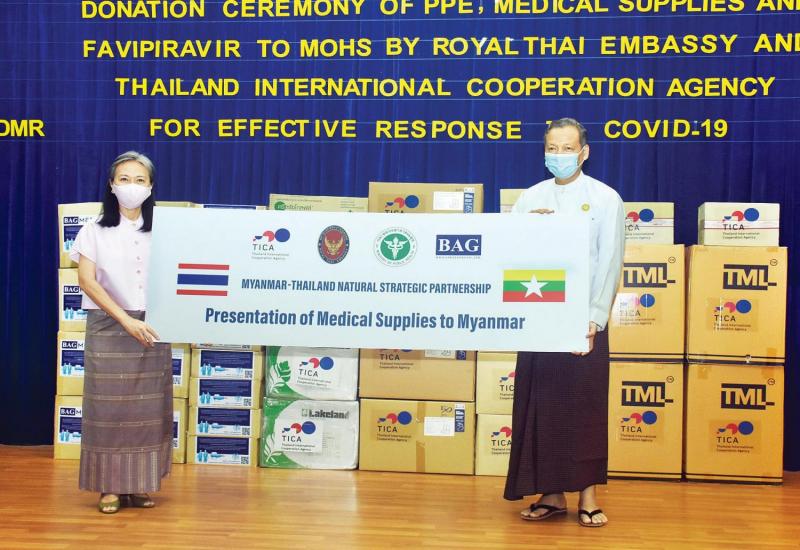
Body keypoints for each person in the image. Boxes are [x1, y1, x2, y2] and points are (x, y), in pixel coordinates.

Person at [504, 118, 625, 528]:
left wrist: (594, 318)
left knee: (583, 407)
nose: (559, 155)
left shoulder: (605, 198)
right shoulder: (530, 198)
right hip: (540, 317)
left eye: (567, 148)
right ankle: (551, 494)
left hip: (582, 319)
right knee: (542, 407)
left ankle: (588, 496)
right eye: (552, 148)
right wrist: (531, 229)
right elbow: (512, 254)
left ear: (584, 152)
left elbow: (610, 260)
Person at [70, 151, 172, 514]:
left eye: (140, 180)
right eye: (124, 179)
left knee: (148, 410)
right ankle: (110, 487)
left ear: (151, 187)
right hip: (109, 324)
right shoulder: (93, 230)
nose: (132, 186)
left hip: (152, 325)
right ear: (112, 185)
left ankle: (141, 483)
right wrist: (125, 320)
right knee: (108, 410)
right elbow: (87, 281)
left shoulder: (165, 230)